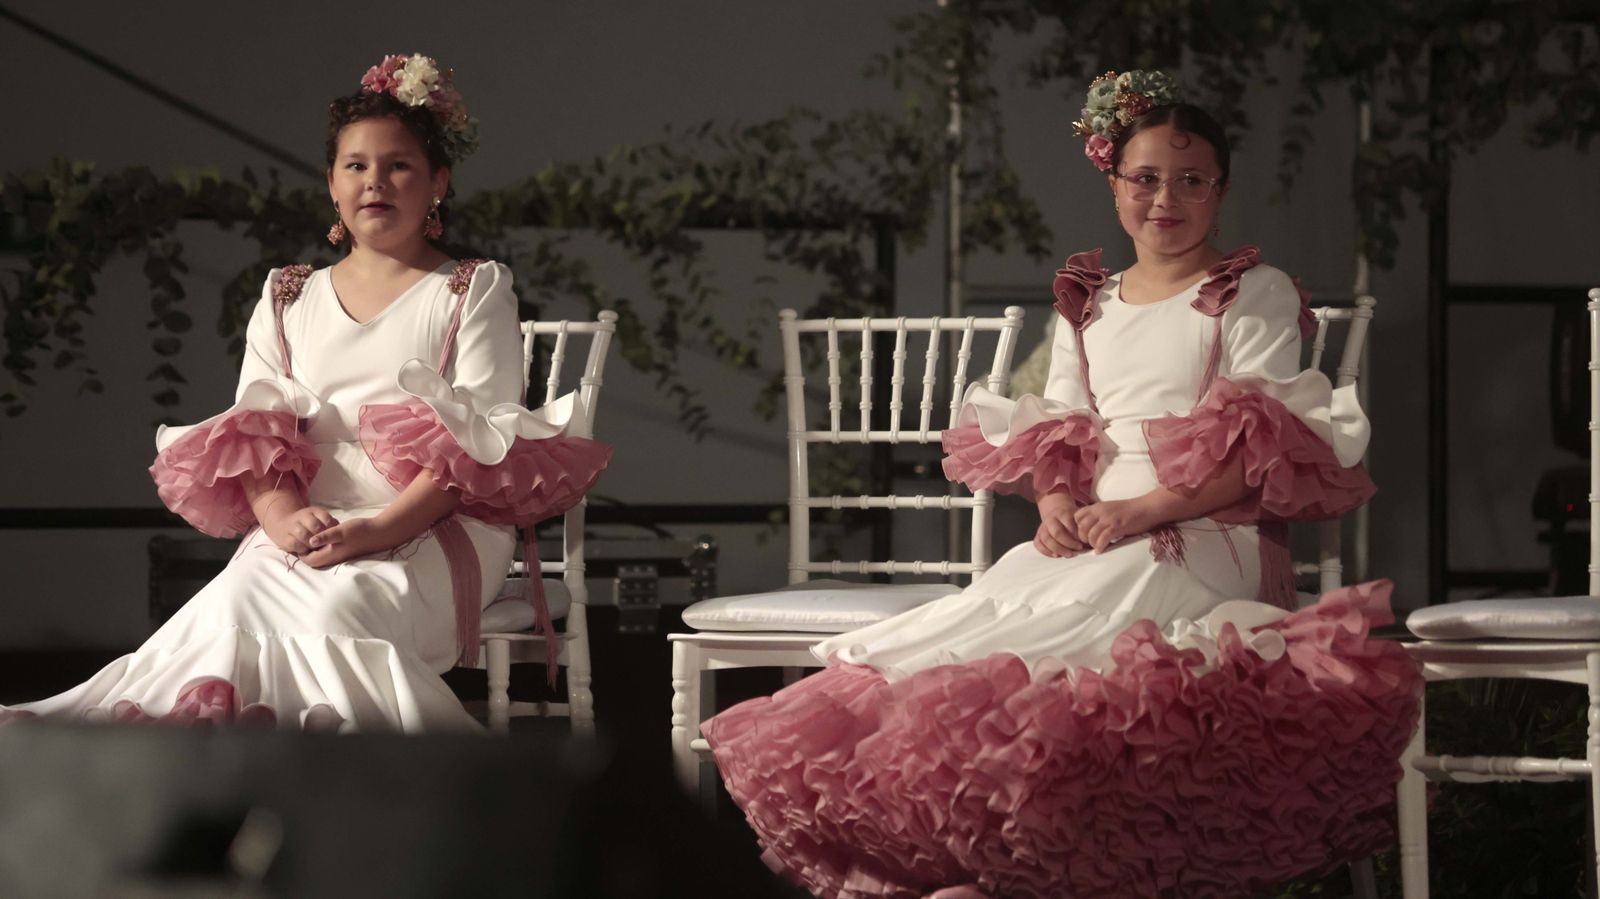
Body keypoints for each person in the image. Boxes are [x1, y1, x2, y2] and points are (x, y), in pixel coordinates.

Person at [703, 70, 1422, 898]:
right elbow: (1063, 427)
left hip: (1202, 530)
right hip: (1101, 531)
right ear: (1114, 183)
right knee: (995, 625)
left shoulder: (1247, 291)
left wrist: (1142, 509)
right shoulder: (1089, 305)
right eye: (1145, 179)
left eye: (1191, 181)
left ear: (1221, 191)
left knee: (1103, 616)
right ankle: (988, 869)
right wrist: (1054, 505)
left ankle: (1052, 870)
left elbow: (1260, 444)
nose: (1165, 199)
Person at [1, 54, 609, 732]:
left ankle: (350, 771)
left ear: (438, 181)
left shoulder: (471, 288)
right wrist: (282, 515)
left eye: (399, 165)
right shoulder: (288, 295)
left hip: (431, 523)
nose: (375, 181)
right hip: (305, 523)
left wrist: (377, 529)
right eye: (356, 165)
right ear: (331, 183)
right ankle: (212, 763)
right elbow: (255, 431)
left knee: (335, 612)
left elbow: (479, 444)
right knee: (227, 610)